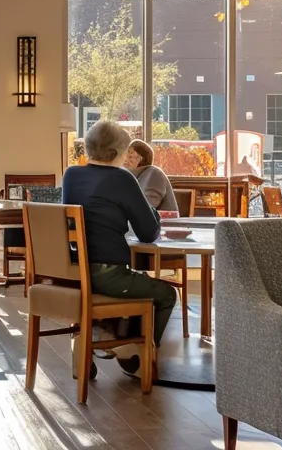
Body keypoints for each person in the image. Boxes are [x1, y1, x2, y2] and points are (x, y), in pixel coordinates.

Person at [61, 121, 177, 375]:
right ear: (116, 154)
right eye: (126, 152)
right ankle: (137, 355)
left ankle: (104, 336)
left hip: (72, 274)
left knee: (137, 283)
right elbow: (148, 233)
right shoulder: (122, 178)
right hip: (107, 275)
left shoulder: (71, 174)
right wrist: (154, 214)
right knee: (165, 294)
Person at [123, 139, 179, 213]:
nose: (124, 159)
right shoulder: (131, 177)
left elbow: (145, 207)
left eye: (130, 155)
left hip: (163, 223)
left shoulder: (154, 174)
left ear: (140, 159)